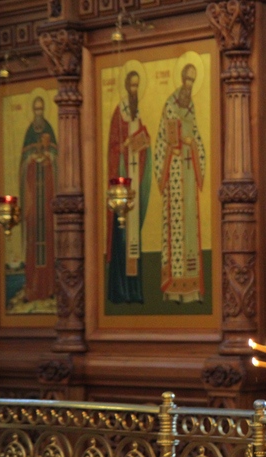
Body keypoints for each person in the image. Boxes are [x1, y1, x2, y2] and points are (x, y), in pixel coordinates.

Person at [154, 63, 206, 303]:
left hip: (188, 173)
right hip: (174, 173)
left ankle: (192, 290)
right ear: (182, 79)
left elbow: (196, 137)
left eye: (193, 81)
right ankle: (173, 290)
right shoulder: (170, 105)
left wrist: (192, 144)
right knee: (175, 230)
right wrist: (172, 149)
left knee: (190, 230)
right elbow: (161, 140)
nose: (189, 85)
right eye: (187, 80)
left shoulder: (191, 106)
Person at [107, 69, 152, 304]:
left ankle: (135, 291)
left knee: (135, 240)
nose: (134, 90)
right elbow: (113, 148)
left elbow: (143, 147)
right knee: (122, 236)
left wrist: (145, 143)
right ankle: (120, 290)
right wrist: (124, 145)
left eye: (137, 86)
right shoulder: (119, 112)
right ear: (126, 87)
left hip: (135, 179)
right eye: (132, 86)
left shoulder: (137, 113)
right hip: (122, 188)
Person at [18, 96, 57, 303]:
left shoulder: (49, 129)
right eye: (36, 109)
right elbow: (23, 164)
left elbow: (58, 159)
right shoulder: (28, 133)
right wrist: (32, 160)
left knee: (49, 240)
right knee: (33, 241)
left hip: (47, 199)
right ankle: (33, 287)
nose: (39, 113)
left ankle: (50, 286)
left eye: (42, 109)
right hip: (34, 200)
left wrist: (49, 158)